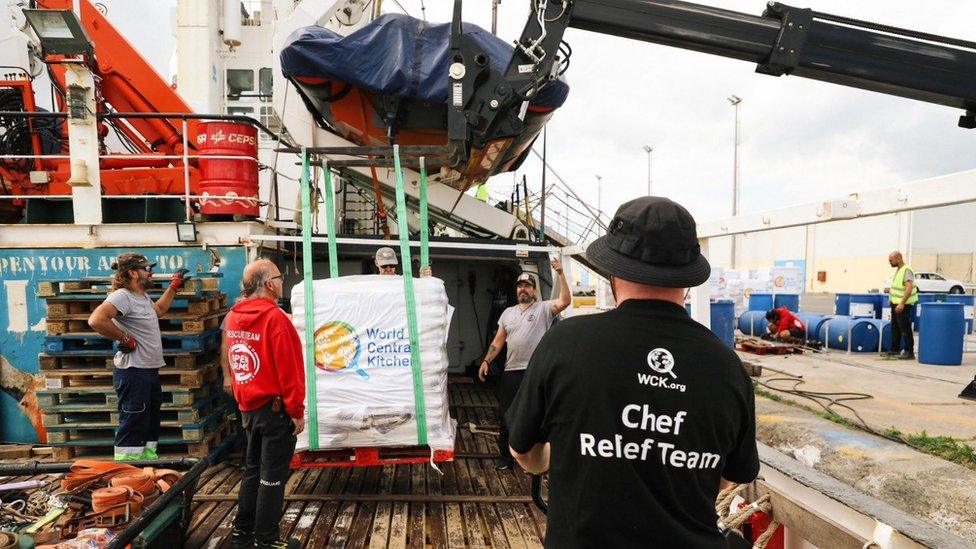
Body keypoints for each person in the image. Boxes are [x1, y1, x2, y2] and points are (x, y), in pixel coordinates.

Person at [506, 197, 759, 547]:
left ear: (613, 271)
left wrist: (554, 458)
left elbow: (523, 451)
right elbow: (731, 476)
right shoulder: (727, 367)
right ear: (687, 278)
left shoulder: (566, 342)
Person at [225, 259, 305, 549]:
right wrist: (297, 411)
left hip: (248, 407)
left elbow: (235, 360)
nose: (283, 281)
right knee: (273, 476)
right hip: (274, 411)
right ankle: (267, 539)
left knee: (252, 470)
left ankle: (242, 533)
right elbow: (291, 370)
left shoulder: (234, 316)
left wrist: (241, 396)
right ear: (269, 284)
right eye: (280, 277)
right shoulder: (276, 319)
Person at [87, 253, 190, 461]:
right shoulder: (122, 296)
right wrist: (124, 338)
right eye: (146, 269)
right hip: (133, 373)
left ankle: (146, 470)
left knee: (150, 424)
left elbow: (159, 310)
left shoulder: (141, 297)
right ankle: (127, 477)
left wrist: (174, 286)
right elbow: (96, 319)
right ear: (133, 273)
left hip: (149, 371)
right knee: (133, 425)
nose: (150, 272)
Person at [478, 261, 571, 470]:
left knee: (538, 415)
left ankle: (536, 460)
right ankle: (505, 458)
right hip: (511, 372)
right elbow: (498, 341)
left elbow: (565, 300)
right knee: (506, 415)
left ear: (535, 291)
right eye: (520, 286)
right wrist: (486, 360)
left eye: (527, 286)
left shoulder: (543, 309)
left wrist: (561, 274)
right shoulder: (508, 313)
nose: (523, 289)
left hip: (535, 372)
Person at [887, 251, 918, 359]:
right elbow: (896, 287)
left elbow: (908, 289)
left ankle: (909, 352)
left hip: (903, 305)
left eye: (891, 260)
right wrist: (891, 298)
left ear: (899, 258)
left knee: (905, 329)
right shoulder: (899, 270)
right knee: (895, 328)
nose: (889, 262)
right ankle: (895, 349)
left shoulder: (907, 270)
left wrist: (901, 303)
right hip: (895, 304)